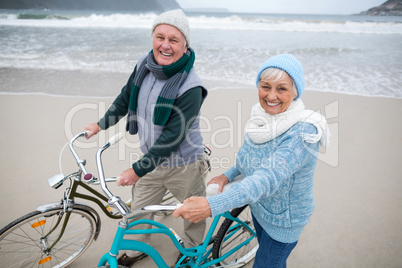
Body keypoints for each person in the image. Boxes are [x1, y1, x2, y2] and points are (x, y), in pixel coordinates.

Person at [173, 54, 330, 268]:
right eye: (265, 87)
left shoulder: (303, 133)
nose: (271, 96)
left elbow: (266, 178)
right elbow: (246, 160)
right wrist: (226, 176)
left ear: (295, 92)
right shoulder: (261, 119)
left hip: (284, 220)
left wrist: (212, 205)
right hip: (260, 206)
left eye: (282, 89)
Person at [84, 9, 208, 267]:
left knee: (192, 212)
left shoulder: (191, 87)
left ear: (185, 45)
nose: (165, 45)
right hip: (153, 161)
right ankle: (137, 248)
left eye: (174, 40)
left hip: (185, 164)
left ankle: (195, 252)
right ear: (152, 37)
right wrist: (100, 124)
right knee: (138, 211)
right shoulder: (144, 64)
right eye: (159, 36)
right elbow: (125, 97)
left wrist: (137, 170)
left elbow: (173, 137)